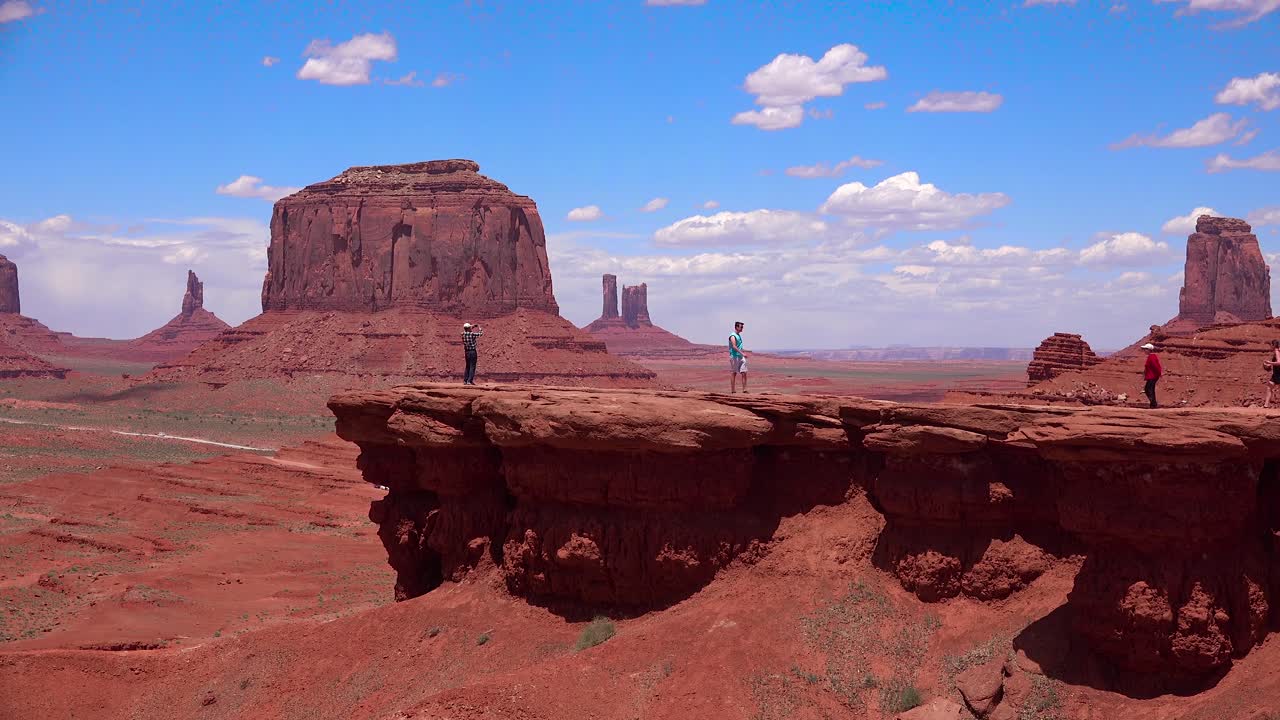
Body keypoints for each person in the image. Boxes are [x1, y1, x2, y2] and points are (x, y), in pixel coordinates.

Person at [729, 321, 748, 393]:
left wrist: (742, 353)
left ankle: (744, 389)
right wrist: (742, 353)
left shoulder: (738, 335)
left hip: (740, 357)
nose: (742, 328)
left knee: (744, 372)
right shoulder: (732, 336)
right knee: (734, 373)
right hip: (734, 357)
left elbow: (739, 346)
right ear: (737, 327)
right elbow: (734, 346)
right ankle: (733, 390)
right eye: (741, 327)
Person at [1141, 342, 1162, 409]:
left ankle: (1153, 403)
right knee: (1150, 389)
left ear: (1149, 350)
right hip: (1152, 376)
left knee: (1148, 389)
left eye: (1145, 349)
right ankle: (1153, 404)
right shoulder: (1151, 356)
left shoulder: (1152, 356)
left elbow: (1156, 366)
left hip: (1153, 376)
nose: (1144, 350)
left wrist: (1158, 374)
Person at [1265, 339, 1280, 408]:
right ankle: (1266, 405)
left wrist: (1269, 363)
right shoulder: (1277, 351)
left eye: (1271, 344)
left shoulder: (1277, 351)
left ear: (1273, 345)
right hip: (1276, 373)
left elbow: (1279, 362)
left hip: (1278, 373)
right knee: (1269, 387)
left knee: (1269, 387)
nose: (1270, 346)